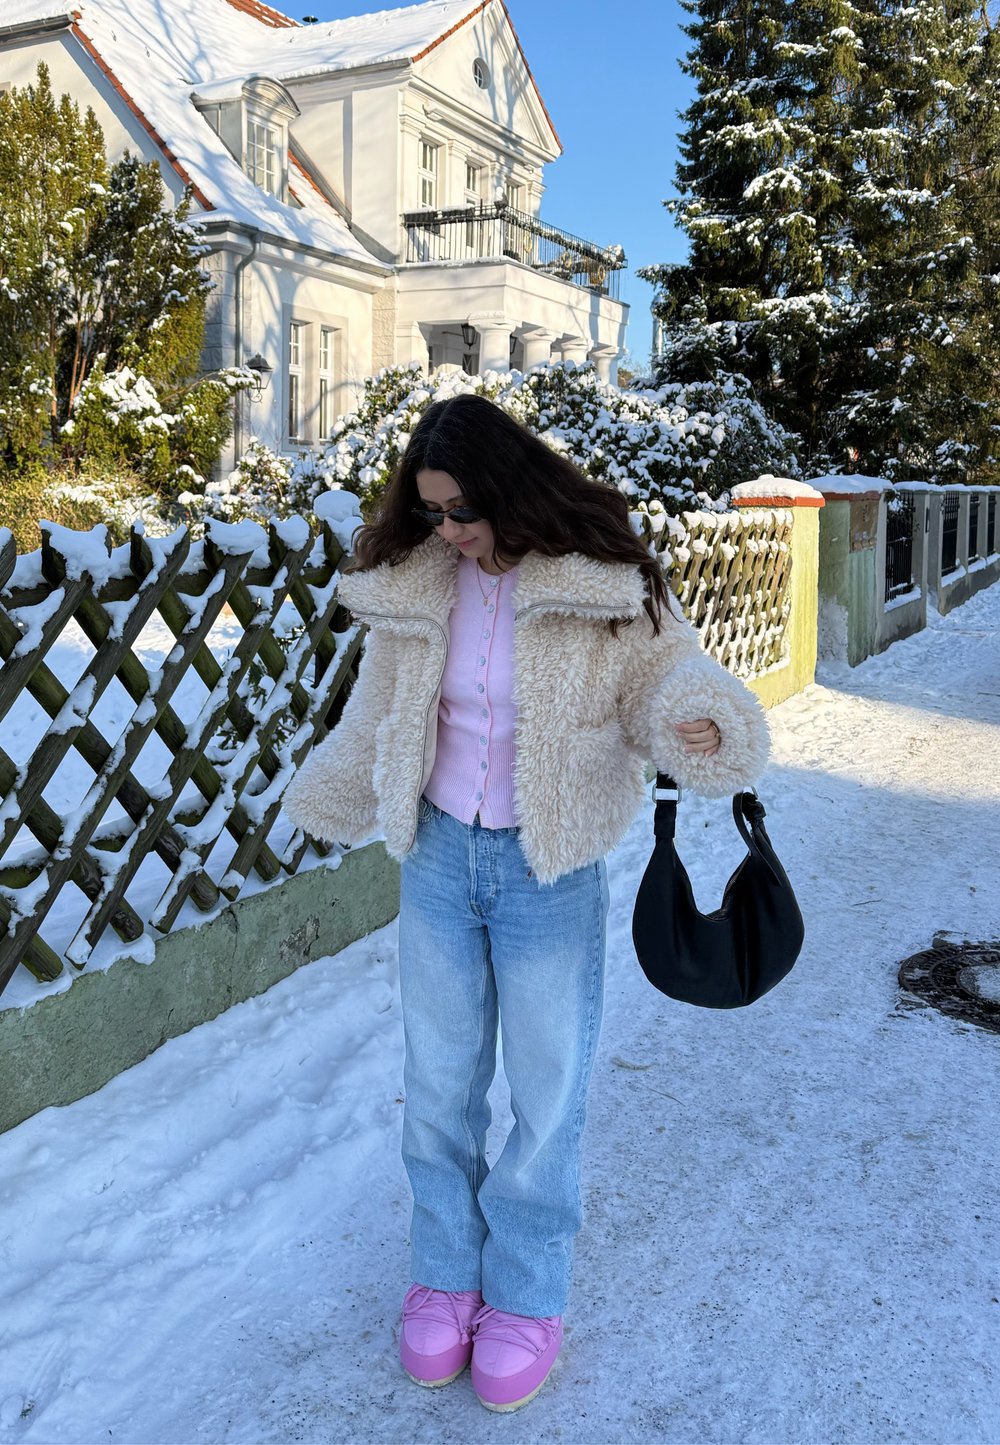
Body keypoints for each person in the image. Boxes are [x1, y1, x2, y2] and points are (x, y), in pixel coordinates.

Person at [283, 393, 769, 1413]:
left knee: (546, 1090)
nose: (448, 530)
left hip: (547, 868)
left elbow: (660, 675)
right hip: (437, 858)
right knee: (438, 1080)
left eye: (462, 509)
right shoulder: (419, 582)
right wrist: (327, 790)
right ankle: (444, 1273)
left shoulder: (601, 579)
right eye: (431, 511)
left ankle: (527, 1293)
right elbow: (379, 707)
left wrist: (695, 716)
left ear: (507, 487)